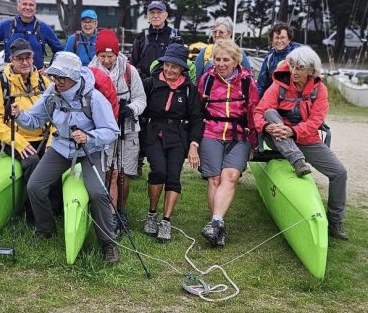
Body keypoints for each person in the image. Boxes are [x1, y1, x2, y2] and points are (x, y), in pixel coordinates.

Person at [12, 51, 121, 263]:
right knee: (34, 186)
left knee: (98, 193)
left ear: (75, 77)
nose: (57, 81)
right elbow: (34, 121)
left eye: (62, 77)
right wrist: (19, 115)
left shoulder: (94, 98)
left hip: (90, 150)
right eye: (55, 76)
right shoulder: (51, 94)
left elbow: (111, 131)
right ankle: (45, 229)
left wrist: (88, 136)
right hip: (61, 148)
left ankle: (108, 243)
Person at [252, 46, 348, 240]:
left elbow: (315, 122)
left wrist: (293, 131)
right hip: (276, 135)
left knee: (340, 173)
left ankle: (335, 223)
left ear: (311, 70)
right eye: (292, 66)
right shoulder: (278, 85)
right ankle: (297, 161)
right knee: (270, 113)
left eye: (300, 68)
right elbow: (259, 112)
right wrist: (266, 127)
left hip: (305, 138)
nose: (294, 72)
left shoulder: (319, 90)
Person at [195, 39, 260, 247]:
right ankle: (217, 225)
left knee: (229, 176)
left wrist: (253, 142)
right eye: (217, 59)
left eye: (226, 60)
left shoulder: (247, 81)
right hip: (211, 131)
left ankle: (215, 223)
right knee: (214, 178)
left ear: (235, 61)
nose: (221, 64)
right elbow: (197, 110)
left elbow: (253, 111)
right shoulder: (207, 79)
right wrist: (194, 142)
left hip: (238, 134)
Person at [138, 44, 204, 242]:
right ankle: (151, 214)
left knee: (173, 176)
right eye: (167, 65)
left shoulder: (189, 90)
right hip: (154, 132)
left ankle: (166, 221)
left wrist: (194, 144)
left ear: (182, 68)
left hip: (178, 135)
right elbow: (141, 110)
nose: (170, 70)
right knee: (158, 170)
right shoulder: (150, 83)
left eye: (175, 67)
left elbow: (197, 118)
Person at [0, 39, 52, 223]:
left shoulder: (45, 82)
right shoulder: (1, 85)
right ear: (11, 60)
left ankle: (57, 208)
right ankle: (35, 218)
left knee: (57, 161)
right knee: (33, 162)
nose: (25, 63)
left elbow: (56, 115)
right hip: (15, 139)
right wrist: (18, 142)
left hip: (44, 137)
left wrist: (52, 140)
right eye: (19, 59)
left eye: (28, 57)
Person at [87, 29, 144, 236]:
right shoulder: (90, 71)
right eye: (103, 56)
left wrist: (130, 109)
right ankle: (109, 214)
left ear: (117, 54)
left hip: (127, 130)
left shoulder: (129, 71)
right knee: (109, 173)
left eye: (110, 56)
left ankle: (121, 211)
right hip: (103, 131)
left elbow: (141, 99)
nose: (107, 60)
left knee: (123, 174)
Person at [0, 0, 63, 72]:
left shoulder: (44, 28)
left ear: (35, 9)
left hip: (36, 79)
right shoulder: (6, 25)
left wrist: (50, 69)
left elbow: (59, 51)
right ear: (18, 7)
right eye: (24, 4)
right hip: (10, 79)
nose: (28, 7)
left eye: (31, 5)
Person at [129, 0, 181, 79]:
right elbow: (132, 64)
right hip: (144, 84)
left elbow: (181, 64)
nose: (155, 16)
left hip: (167, 84)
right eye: (152, 12)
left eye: (159, 12)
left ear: (165, 15)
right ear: (148, 15)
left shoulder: (175, 36)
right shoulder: (141, 36)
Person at [191, 17, 251, 81]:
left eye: (221, 32)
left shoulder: (239, 52)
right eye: (214, 32)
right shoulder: (205, 52)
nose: (217, 35)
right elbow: (196, 80)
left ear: (229, 34)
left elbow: (248, 78)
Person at [255, 21, 300, 94]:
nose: (279, 41)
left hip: (293, 99)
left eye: (282, 38)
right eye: (276, 38)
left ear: (289, 40)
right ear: (272, 40)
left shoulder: (298, 56)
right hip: (273, 98)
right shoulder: (269, 59)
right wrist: (256, 103)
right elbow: (261, 85)